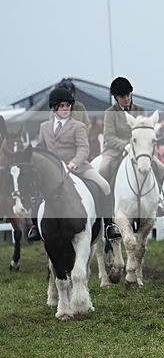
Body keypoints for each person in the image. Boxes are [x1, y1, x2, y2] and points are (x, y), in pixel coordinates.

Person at [27, 87, 121, 242]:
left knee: (104, 186)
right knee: (35, 192)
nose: (65, 109)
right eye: (62, 106)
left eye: (67, 106)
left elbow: (84, 148)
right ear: (54, 107)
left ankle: (109, 226)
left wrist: (74, 162)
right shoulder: (45, 127)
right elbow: (41, 147)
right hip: (54, 170)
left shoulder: (78, 126)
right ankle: (36, 227)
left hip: (78, 167)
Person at [99, 76, 164, 217]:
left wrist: (138, 146)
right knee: (103, 169)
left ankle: (158, 201)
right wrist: (126, 145)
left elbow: (145, 131)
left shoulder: (140, 110)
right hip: (115, 150)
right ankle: (104, 205)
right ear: (116, 97)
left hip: (140, 149)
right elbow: (109, 136)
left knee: (161, 168)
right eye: (122, 96)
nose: (126, 98)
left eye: (128, 95)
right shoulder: (110, 113)